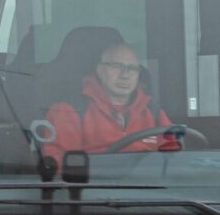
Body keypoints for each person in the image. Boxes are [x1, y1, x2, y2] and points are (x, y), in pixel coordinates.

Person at [41, 43, 180, 162]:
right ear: (100, 70)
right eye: (116, 66)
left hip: (149, 188)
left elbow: (174, 159)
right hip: (95, 190)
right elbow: (61, 167)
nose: (125, 75)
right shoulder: (68, 111)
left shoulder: (153, 112)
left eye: (132, 68)